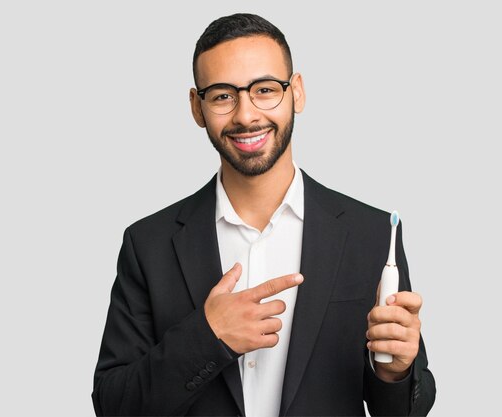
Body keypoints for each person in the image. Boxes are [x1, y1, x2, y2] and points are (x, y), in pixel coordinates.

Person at [92, 13, 436, 416]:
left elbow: (402, 409)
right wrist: (207, 337)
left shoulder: (371, 235)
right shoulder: (147, 244)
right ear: (196, 107)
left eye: (265, 90)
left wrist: (395, 373)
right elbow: (113, 404)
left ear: (298, 93)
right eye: (222, 95)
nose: (246, 115)